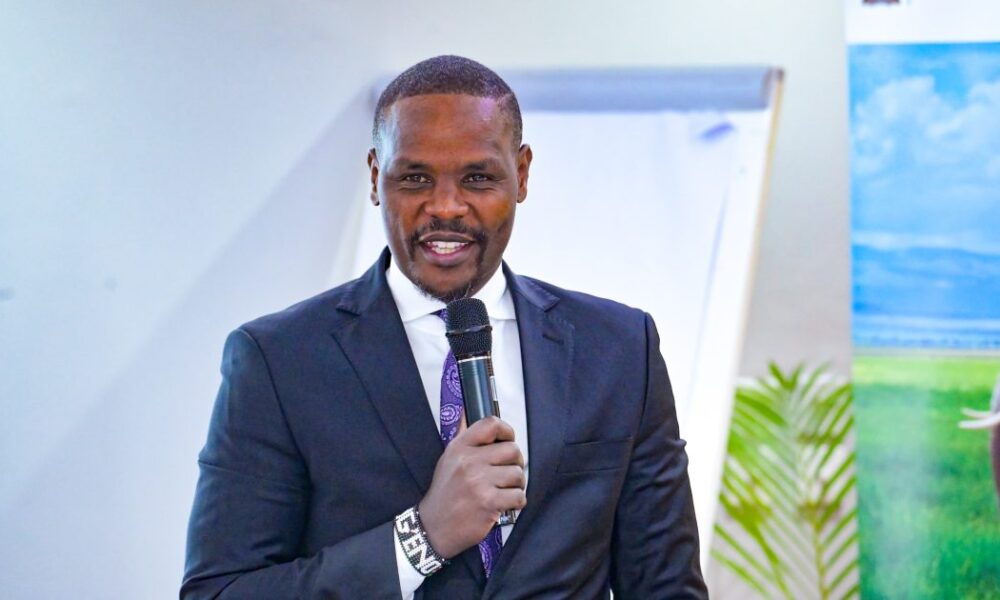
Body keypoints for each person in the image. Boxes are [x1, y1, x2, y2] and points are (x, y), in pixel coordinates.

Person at [182, 55, 707, 599]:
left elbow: (667, 588)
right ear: (375, 176)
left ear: (522, 174)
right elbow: (219, 592)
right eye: (415, 178)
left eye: (478, 178)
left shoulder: (619, 348)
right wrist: (422, 538)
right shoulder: (278, 360)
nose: (447, 207)